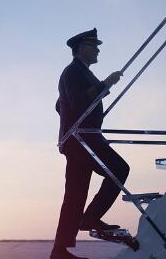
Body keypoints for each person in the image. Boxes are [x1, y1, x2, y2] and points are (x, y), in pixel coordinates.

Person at [50, 28, 129, 259]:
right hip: (82, 139)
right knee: (119, 169)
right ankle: (91, 217)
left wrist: (69, 118)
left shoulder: (78, 72)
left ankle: (60, 252)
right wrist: (107, 84)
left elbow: (61, 105)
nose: (98, 50)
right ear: (82, 48)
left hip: (78, 139)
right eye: (94, 46)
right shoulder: (73, 71)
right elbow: (77, 100)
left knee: (74, 195)